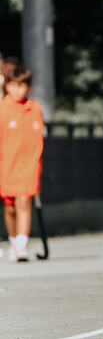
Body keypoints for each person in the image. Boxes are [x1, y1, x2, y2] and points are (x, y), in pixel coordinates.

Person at [0, 65, 45, 262]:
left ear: (29, 87)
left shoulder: (35, 108)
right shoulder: (2, 109)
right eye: (12, 85)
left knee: (24, 200)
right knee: (10, 208)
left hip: (29, 166)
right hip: (7, 166)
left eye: (21, 86)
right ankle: (13, 240)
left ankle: (21, 245)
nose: (16, 90)